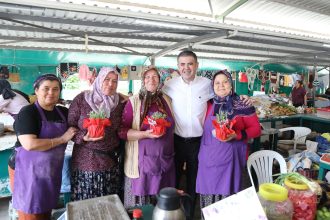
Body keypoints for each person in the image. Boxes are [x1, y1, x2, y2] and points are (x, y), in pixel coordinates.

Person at [162, 50, 252, 219]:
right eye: (182, 64)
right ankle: (172, 215)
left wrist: (244, 98)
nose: (186, 67)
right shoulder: (169, 85)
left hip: (198, 143)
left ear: (197, 65)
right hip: (176, 141)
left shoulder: (207, 84)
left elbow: (225, 93)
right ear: (177, 66)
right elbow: (155, 96)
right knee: (173, 182)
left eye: (190, 64)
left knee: (193, 182)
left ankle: (189, 215)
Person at [9, 74, 77, 219]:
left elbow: (77, 128)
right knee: (31, 213)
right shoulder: (28, 113)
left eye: (55, 89)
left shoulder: (63, 112)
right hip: (27, 172)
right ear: (37, 90)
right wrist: (62, 139)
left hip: (50, 171)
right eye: (46, 88)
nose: (51, 93)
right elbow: (30, 144)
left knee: (46, 211)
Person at [196, 70, 261, 217]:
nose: (221, 86)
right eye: (217, 83)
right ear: (212, 86)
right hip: (208, 161)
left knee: (229, 204)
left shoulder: (242, 103)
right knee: (208, 203)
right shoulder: (207, 104)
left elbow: (256, 130)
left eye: (225, 82)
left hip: (231, 163)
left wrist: (236, 135)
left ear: (231, 84)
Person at [119, 66, 175, 208]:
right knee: (142, 207)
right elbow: (122, 131)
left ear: (160, 80)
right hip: (141, 163)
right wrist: (145, 134)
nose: (151, 80)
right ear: (143, 80)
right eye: (147, 77)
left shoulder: (166, 100)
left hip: (164, 161)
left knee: (162, 205)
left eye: (155, 76)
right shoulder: (134, 101)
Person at [68, 67, 126, 201]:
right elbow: (70, 126)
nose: (111, 84)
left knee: (108, 201)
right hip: (85, 161)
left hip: (109, 161)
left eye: (115, 81)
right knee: (86, 202)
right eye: (107, 79)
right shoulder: (82, 99)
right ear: (99, 79)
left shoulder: (120, 103)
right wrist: (84, 137)